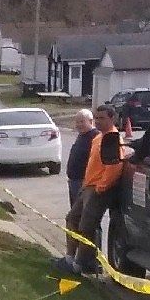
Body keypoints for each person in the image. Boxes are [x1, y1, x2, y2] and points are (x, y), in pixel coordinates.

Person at [76, 108, 133, 276]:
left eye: (102, 118)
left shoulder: (112, 139)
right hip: (87, 186)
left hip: (98, 189)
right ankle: (70, 257)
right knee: (72, 219)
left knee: (87, 226)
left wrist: (101, 186)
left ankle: (83, 264)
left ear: (112, 118)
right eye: (96, 118)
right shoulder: (98, 137)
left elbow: (114, 167)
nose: (98, 121)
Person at [63, 107, 97, 271]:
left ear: (91, 121)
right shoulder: (81, 136)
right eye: (77, 121)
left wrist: (86, 182)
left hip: (85, 185)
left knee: (85, 222)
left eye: (82, 121)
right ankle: (74, 258)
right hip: (74, 182)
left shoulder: (94, 137)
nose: (79, 124)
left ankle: (89, 261)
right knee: (74, 220)